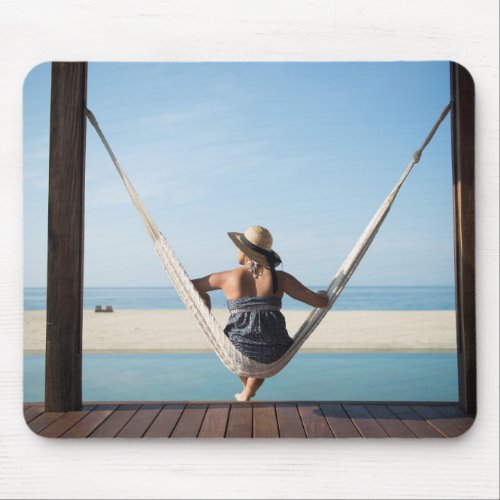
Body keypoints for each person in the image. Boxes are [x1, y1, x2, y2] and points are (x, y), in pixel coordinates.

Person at [191, 225, 329, 401]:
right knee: (261, 358)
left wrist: (206, 303)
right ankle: (247, 392)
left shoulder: (227, 277)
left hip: (238, 348)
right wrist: (322, 294)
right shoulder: (282, 278)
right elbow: (320, 302)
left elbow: (188, 287)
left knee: (240, 357)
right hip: (274, 351)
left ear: (245, 252)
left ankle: (246, 392)